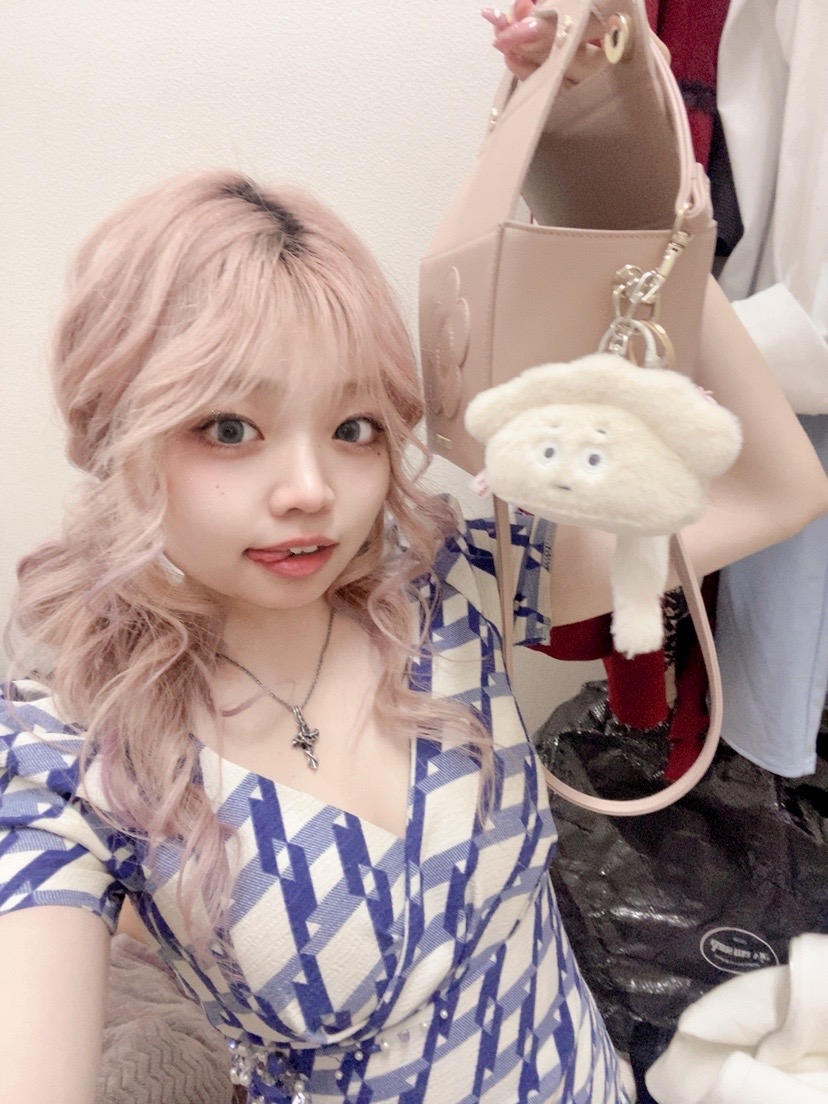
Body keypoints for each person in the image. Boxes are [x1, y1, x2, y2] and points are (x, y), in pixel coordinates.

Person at [0, 171, 629, 1103]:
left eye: (353, 427)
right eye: (229, 428)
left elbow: (777, 493)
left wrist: (634, 191)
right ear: (119, 432)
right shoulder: (66, 756)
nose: (310, 490)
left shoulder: (451, 583)